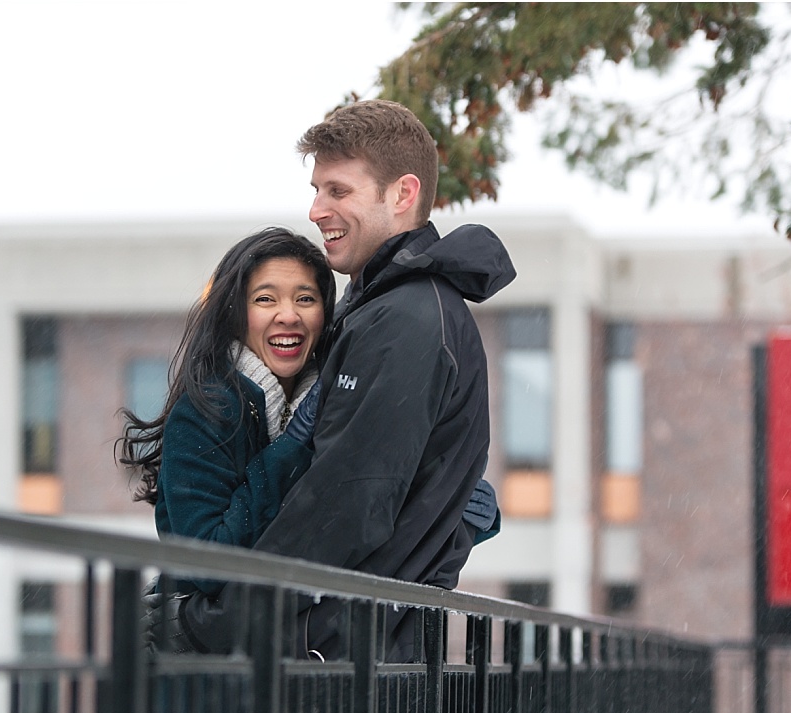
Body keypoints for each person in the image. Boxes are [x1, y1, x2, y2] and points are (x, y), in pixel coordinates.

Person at [152, 99, 516, 663]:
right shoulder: (387, 309)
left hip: (339, 661)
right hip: (358, 649)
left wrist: (215, 624)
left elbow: (345, 505)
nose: (317, 209)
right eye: (316, 190)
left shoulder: (405, 320)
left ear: (402, 194)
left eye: (338, 191)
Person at [117, 226, 336, 597]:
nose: (289, 315)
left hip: (295, 645)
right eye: (265, 300)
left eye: (305, 299)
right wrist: (292, 446)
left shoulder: (331, 409)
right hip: (208, 649)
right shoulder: (203, 412)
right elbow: (211, 562)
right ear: (235, 314)